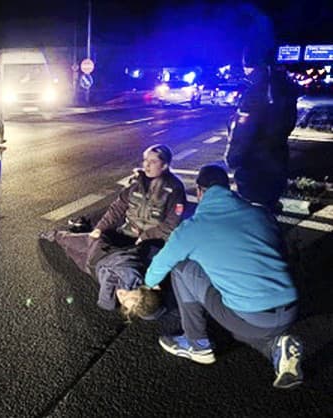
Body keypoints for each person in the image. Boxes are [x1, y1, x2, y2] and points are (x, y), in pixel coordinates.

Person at [143, 164, 303, 389]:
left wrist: (145, 286)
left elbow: (157, 270)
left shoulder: (193, 228)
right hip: (290, 306)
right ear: (229, 188)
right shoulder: (259, 212)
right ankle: (277, 347)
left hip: (252, 315)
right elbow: (280, 252)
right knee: (244, 328)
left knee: (181, 267)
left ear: (200, 191)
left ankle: (197, 345)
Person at [39, 144, 187, 315]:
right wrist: (100, 228)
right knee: (90, 242)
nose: (146, 165)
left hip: (152, 242)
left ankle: (133, 295)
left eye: (152, 162)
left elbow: (171, 224)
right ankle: (58, 236)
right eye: (145, 160)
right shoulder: (136, 183)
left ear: (165, 165)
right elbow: (117, 208)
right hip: (127, 233)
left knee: (159, 275)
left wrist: (147, 236)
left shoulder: (175, 189)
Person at [224, 44, 300, 211]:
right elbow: (290, 122)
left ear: (249, 64)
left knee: (252, 211)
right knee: (269, 207)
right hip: (277, 158)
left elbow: (243, 131)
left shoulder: (257, 90)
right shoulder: (283, 85)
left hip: (255, 164)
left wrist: (232, 158)